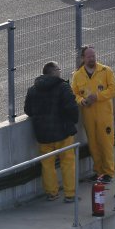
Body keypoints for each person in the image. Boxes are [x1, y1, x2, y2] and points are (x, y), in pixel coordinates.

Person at [24, 61, 80, 202]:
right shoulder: (63, 87)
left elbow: (28, 110)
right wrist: (73, 121)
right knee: (67, 163)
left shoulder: (33, 90)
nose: (60, 71)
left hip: (43, 135)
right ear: (53, 71)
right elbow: (72, 108)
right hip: (63, 132)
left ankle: (51, 193)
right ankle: (70, 194)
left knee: (47, 165)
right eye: (58, 69)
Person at [70, 45, 115, 182]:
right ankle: (99, 172)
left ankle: (109, 172)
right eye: (89, 56)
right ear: (83, 58)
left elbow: (113, 89)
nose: (92, 58)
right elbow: (74, 94)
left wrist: (98, 97)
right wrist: (82, 101)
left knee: (106, 143)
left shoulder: (105, 70)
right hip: (89, 115)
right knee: (93, 144)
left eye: (94, 56)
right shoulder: (77, 75)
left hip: (105, 115)